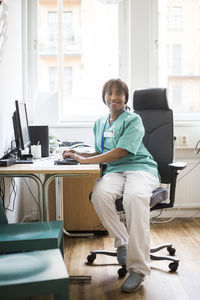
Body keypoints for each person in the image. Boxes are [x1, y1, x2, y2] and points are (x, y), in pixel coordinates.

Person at [62, 78, 160, 293]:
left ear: (126, 98)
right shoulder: (100, 122)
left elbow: (121, 151)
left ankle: (139, 269)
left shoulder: (133, 120)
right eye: (109, 93)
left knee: (134, 198)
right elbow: (101, 152)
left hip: (140, 168)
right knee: (99, 195)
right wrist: (77, 154)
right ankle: (122, 241)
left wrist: (84, 161)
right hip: (115, 170)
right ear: (104, 97)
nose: (114, 97)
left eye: (119, 93)